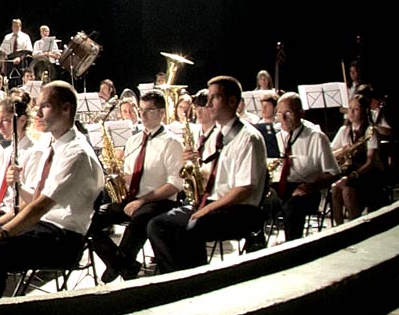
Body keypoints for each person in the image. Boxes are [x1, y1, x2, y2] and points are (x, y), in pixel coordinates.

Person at [0, 81, 103, 302]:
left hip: (63, 237)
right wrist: (18, 186)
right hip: (41, 225)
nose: (37, 113)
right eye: (37, 106)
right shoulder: (53, 144)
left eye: (45, 106)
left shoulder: (76, 154)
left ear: (66, 109)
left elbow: (41, 206)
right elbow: (36, 199)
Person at [145, 76, 268, 273]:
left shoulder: (248, 138)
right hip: (211, 203)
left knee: (193, 228)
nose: (208, 104)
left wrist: (207, 209)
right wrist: (193, 168)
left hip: (239, 210)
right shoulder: (217, 135)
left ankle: (197, 279)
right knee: (157, 226)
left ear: (232, 101)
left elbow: (244, 189)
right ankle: (177, 278)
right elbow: (209, 175)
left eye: (214, 98)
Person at [85, 90, 184, 282]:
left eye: (149, 110)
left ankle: (120, 266)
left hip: (160, 201)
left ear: (161, 113)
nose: (142, 115)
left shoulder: (172, 143)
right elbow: (130, 175)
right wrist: (117, 177)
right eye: (141, 110)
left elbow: (175, 184)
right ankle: (123, 265)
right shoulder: (133, 140)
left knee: (140, 218)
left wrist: (142, 200)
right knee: (88, 219)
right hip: (133, 199)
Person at [273, 92, 339, 241]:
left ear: (301, 113)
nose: (283, 118)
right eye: (279, 113)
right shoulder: (274, 135)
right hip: (279, 187)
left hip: (307, 189)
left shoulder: (317, 137)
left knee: (292, 208)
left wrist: (310, 187)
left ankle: (292, 248)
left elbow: (334, 174)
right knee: (256, 205)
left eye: (288, 113)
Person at [330, 94, 382, 225]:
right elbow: (330, 154)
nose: (351, 112)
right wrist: (343, 150)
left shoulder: (370, 132)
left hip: (365, 174)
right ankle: (338, 228)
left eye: (356, 109)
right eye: (350, 108)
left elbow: (370, 163)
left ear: (364, 111)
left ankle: (354, 226)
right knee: (335, 188)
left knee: (347, 191)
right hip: (347, 171)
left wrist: (351, 177)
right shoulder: (344, 130)